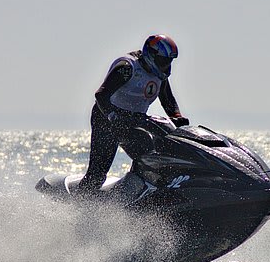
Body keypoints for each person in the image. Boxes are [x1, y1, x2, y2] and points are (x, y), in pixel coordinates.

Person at [76, 34, 189, 194]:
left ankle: (138, 197)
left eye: (169, 62)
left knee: (153, 162)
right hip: (106, 119)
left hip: (133, 122)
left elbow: (168, 101)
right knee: (97, 174)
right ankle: (79, 207)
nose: (166, 66)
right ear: (152, 55)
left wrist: (177, 117)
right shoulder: (127, 67)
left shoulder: (160, 75)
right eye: (164, 61)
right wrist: (113, 116)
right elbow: (101, 95)